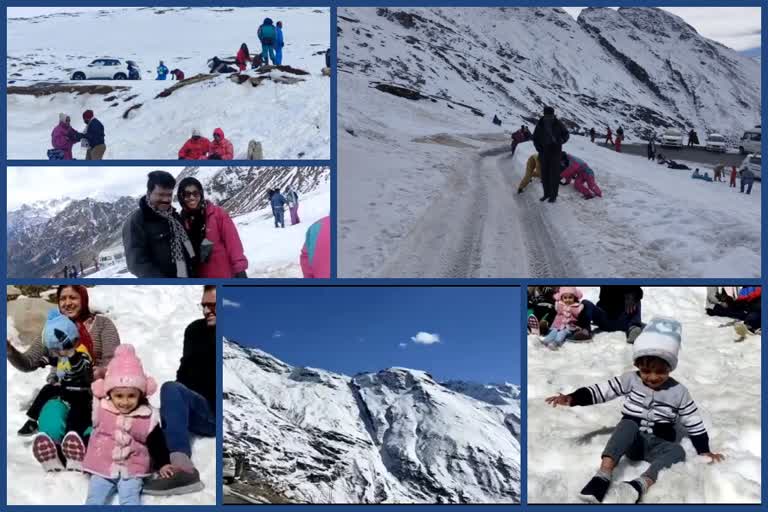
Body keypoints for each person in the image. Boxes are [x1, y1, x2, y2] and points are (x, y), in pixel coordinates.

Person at [546, 318, 724, 504]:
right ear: (638, 366)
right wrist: (574, 398)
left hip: (659, 444)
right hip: (633, 442)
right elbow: (603, 390)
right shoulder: (630, 379)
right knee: (627, 424)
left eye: (660, 372)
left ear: (670, 368)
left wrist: (704, 450)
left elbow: (692, 420)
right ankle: (603, 474)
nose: (653, 377)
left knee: (678, 452)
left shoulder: (679, 392)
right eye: (646, 371)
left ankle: (640, 485)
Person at [11, 286, 120, 438]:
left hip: (96, 391)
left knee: (86, 426)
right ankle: (54, 448)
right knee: (52, 426)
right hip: (63, 390)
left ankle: (87, 442)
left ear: (83, 299)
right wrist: (9, 351)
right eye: (63, 298)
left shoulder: (102, 324)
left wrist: (97, 373)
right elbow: (28, 362)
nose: (67, 303)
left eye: (73, 298)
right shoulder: (52, 330)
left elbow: (115, 361)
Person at [143, 286, 217, 496]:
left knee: (173, 390)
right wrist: (174, 403)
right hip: (193, 402)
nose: (206, 311)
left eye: (212, 305)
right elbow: (186, 370)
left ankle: (183, 469)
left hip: (215, 413)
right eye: (204, 305)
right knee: (167, 393)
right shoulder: (194, 330)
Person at [83, 345, 174, 505]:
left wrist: (163, 463)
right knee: (94, 498)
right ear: (109, 393)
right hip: (101, 466)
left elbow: (157, 443)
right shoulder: (101, 409)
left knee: (131, 499)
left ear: (141, 394)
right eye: (119, 396)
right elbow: (87, 427)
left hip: (132, 469)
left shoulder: (147, 416)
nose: (125, 402)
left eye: (131, 396)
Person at [23, 311, 93, 471]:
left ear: (73, 341)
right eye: (54, 350)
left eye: (58, 349)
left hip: (81, 393)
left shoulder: (82, 354)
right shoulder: (61, 355)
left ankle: (73, 446)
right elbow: (53, 359)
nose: (57, 353)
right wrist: (44, 360)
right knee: (48, 389)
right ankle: (33, 420)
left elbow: (81, 368)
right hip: (65, 390)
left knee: (76, 415)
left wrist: (71, 353)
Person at [123, 171, 195, 278]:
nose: (166, 200)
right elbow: (137, 264)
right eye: (161, 195)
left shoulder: (174, 216)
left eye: (169, 195)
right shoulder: (137, 221)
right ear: (149, 193)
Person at [177, 177, 248, 278]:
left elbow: (233, 243)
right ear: (181, 197)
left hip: (224, 276)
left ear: (201, 194)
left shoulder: (216, 214)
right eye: (186, 194)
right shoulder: (182, 221)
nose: (191, 197)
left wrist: (240, 270)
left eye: (195, 193)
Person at [577, 286, 644, 343]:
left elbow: (638, 291)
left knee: (635, 299)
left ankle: (633, 329)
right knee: (585, 303)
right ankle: (585, 330)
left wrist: (632, 293)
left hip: (625, 318)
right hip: (605, 317)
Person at [532, 106, 569, 203]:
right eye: (547, 116)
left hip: (556, 152)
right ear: (544, 115)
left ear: (553, 115)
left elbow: (566, 134)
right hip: (543, 153)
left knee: (554, 175)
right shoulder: (540, 124)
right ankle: (546, 194)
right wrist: (538, 147)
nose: (549, 118)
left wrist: (561, 140)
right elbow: (535, 138)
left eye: (551, 116)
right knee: (544, 174)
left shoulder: (558, 123)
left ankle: (553, 196)